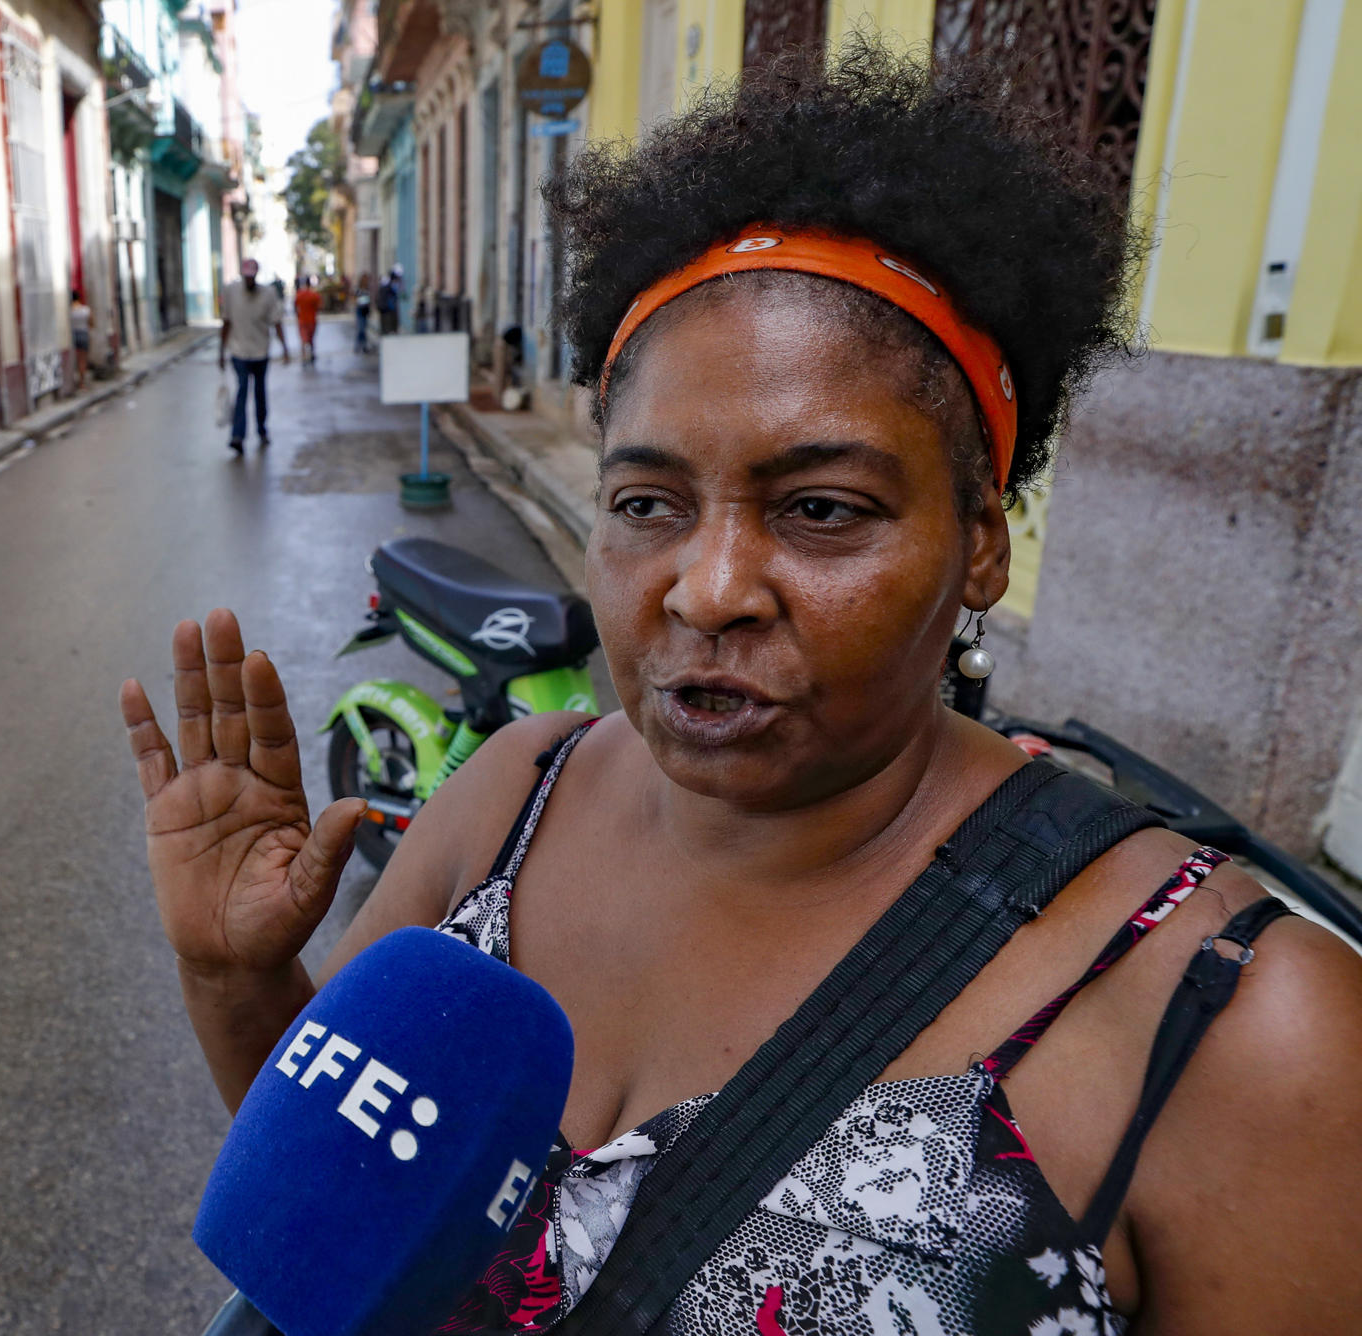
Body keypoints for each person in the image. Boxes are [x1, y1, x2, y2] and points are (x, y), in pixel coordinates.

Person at [121, 42, 1362, 1334]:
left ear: (981, 541)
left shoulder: (1243, 1029)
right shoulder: (509, 798)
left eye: (823, 509)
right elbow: (349, 1217)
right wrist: (229, 974)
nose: (707, 587)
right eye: (647, 503)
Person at [218, 258, 289, 456]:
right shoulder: (231, 291)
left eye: (252, 276)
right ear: (242, 275)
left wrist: (285, 348)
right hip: (239, 352)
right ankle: (237, 436)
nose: (249, 280)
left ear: (256, 276)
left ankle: (262, 429)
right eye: (246, 276)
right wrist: (221, 352)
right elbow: (226, 322)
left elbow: (277, 322)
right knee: (241, 392)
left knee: (259, 392)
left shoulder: (268, 294)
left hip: (260, 352)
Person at [293, 275, 323, 365]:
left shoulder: (299, 294)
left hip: (302, 320)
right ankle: (312, 354)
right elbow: (319, 307)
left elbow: (295, 306)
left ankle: (304, 356)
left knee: (303, 340)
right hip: (312, 321)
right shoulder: (314, 295)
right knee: (311, 339)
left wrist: (298, 315)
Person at [69, 289, 91, 377]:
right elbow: (91, 323)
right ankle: (82, 382)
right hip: (83, 333)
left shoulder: (69, 311)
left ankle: (73, 378)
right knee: (82, 359)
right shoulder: (85, 310)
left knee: (74, 359)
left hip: (72, 335)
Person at [377, 266, 402, 336]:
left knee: (386, 320)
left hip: (385, 305)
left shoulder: (388, 283)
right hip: (386, 305)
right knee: (387, 319)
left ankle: (387, 331)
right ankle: (388, 331)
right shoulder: (389, 284)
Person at [353, 273, 373, 353]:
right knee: (360, 329)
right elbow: (354, 298)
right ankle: (358, 346)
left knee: (363, 329)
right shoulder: (358, 289)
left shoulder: (367, 289)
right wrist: (359, 302)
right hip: (360, 310)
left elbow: (368, 300)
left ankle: (363, 346)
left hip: (365, 310)